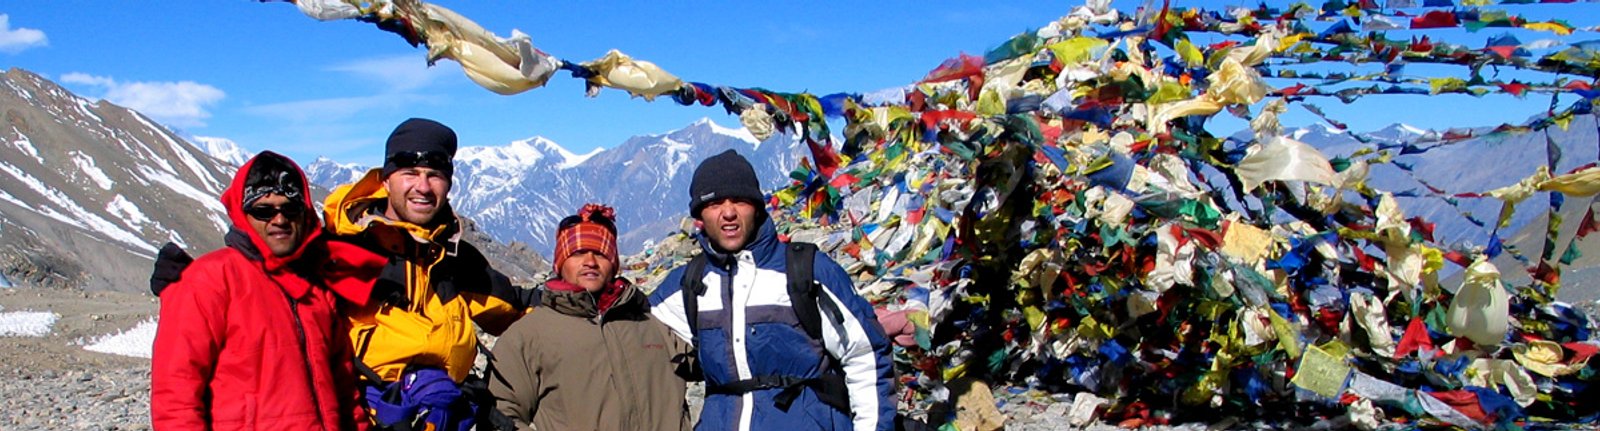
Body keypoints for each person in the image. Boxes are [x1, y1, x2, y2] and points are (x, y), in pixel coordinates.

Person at [649, 149, 896, 431]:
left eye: (740, 201)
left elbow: (864, 356)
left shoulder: (806, 271)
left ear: (756, 207)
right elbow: (630, 338)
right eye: (715, 203)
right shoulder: (687, 284)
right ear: (699, 215)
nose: (728, 213)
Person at [322, 117, 533, 430]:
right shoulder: (343, 252)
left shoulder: (455, 259)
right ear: (385, 181)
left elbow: (511, 307)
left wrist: (585, 297)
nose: (422, 187)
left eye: (434, 175)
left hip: (449, 414)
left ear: (448, 185)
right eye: (410, 173)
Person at [151, 151, 371, 430]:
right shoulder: (209, 280)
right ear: (242, 215)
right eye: (263, 211)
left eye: (290, 208)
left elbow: (345, 391)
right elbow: (176, 398)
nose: (279, 219)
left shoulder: (316, 287)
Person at [489, 204, 692, 431]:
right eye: (577, 253)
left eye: (600, 253)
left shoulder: (651, 323)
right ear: (560, 263)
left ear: (614, 264)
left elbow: (716, 363)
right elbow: (501, 414)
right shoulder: (528, 336)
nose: (590, 262)